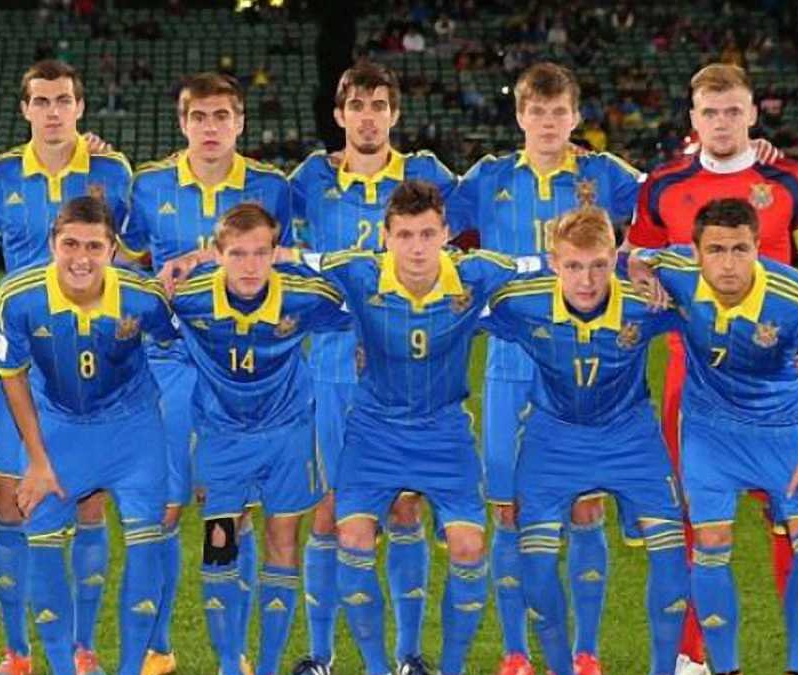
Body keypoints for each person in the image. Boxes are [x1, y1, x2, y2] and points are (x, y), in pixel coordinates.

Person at [627, 63, 798, 675]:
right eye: (710, 112)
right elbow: (636, 258)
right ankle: (693, 655)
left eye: (733, 110)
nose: (722, 123)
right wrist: (641, 277)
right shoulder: (663, 185)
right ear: (692, 118)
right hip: (695, 374)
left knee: (797, 517)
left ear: (753, 113)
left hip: (785, 371)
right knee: (697, 517)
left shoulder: (789, 179)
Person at [294, 181, 541, 675]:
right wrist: (199, 262)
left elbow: (546, 265)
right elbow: (288, 261)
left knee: (470, 549)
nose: (417, 248)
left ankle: (443, 667)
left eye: (428, 234)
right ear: (385, 237)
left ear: (447, 234)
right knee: (353, 539)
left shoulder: (476, 274)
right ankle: (376, 668)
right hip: (374, 432)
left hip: (444, 433)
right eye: (405, 235)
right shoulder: (358, 272)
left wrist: (636, 265)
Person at [447, 62, 643, 675]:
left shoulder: (603, 174)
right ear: (520, 116)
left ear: (576, 116)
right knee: (507, 509)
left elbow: (666, 206)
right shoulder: (490, 177)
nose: (549, 122)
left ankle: (586, 652)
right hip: (510, 362)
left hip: (583, 364)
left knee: (584, 507)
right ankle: (515, 652)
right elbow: (430, 232)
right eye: (538, 111)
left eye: (560, 112)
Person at [0, 59, 135, 675]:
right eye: (41, 101)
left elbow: (134, 256)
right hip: (17, 361)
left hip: (88, 362)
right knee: (11, 504)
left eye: (63, 100)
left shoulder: (112, 172)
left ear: (80, 107)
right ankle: (17, 652)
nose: (53, 111)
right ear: (25, 109)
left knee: (88, 504)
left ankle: (84, 649)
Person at [286, 60, 458, 675]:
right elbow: (253, 227)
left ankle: (409, 656)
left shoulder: (426, 175)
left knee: (404, 506)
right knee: (330, 508)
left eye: (379, 106)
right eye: (356, 106)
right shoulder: (310, 177)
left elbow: (478, 216)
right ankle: (320, 656)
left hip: (408, 367)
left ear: (394, 113)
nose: (367, 117)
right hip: (332, 366)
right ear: (339, 115)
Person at [629, 198, 798, 675]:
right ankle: (725, 669)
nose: (729, 264)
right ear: (696, 253)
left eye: (740, 249)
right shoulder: (677, 272)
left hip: (785, 431)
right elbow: (637, 258)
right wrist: (641, 272)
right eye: (716, 250)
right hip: (711, 431)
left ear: (757, 247)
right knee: (711, 539)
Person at [128, 71, 291, 675]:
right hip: (169, 367)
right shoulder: (149, 185)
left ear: (240, 122)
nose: (211, 127)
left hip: (238, 375)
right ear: (182, 123)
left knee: (229, 513)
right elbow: (128, 263)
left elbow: (286, 263)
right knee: (166, 509)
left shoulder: (271, 187)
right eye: (199, 116)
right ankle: (158, 648)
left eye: (223, 115)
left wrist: (210, 259)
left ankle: (232, 655)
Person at [483, 206, 689, 675]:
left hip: (630, 437)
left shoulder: (645, 300)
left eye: (599, 265)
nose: (587, 280)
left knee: (672, 557)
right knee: (536, 571)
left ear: (615, 259)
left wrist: (794, 357)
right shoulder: (522, 301)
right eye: (574, 265)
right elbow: (446, 310)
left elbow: (713, 299)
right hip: (554, 439)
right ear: (554, 263)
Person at [0, 196, 174, 675]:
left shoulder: (142, 296)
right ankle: (62, 666)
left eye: (94, 246)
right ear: (52, 244)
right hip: (60, 430)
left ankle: (130, 668)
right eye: (70, 244)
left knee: (146, 542)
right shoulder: (20, 296)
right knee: (43, 539)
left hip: (132, 430)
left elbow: (181, 344)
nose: (81, 258)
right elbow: (11, 374)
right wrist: (37, 460)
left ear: (113, 249)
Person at [170, 203, 350, 675]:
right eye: (237, 254)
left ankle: (268, 666)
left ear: (276, 253)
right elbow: (141, 311)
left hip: (288, 435)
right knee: (219, 545)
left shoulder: (304, 295)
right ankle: (232, 664)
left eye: (260, 253)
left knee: (282, 539)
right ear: (217, 254)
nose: (249, 266)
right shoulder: (188, 299)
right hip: (222, 437)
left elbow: (366, 293)